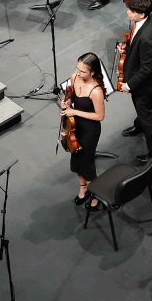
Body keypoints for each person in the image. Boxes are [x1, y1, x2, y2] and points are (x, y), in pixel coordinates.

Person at [119, 0, 152, 166]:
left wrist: (129, 84)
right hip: (143, 76)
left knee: (148, 118)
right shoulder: (145, 20)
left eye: (131, 11)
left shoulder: (147, 37)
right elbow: (136, 41)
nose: (128, 12)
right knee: (141, 110)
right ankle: (138, 125)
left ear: (142, 14)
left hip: (145, 83)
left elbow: (147, 69)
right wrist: (127, 46)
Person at [61, 52, 106, 211]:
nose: (78, 74)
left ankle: (96, 196)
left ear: (92, 72)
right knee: (76, 159)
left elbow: (99, 116)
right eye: (77, 69)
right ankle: (83, 187)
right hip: (74, 125)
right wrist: (66, 103)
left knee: (86, 164)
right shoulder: (74, 77)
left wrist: (74, 112)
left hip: (89, 130)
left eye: (83, 72)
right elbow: (71, 96)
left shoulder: (96, 91)